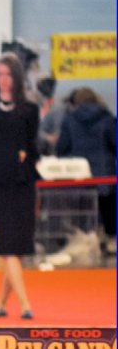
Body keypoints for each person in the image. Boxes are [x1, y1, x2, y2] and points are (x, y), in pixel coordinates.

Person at [0, 52, 40, 319]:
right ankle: (26, 305)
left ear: (16, 77)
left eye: (7, 74)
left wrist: (25, 156)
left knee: (18, 248)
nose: (3, 80)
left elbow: (32, 144)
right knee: (7, 247)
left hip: (23, 181)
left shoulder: (30, 109)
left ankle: (1, 302)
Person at [56, 87, 116, 252]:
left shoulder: (69, 119)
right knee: (108, 208)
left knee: (84, 211)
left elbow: (62, 147)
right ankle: (111, 240)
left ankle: (88, 239)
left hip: (80, 175)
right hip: (105, 172)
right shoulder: (107, 117)